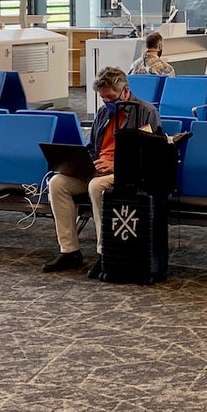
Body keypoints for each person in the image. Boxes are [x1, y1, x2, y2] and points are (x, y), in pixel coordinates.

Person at [42, 67, 160, 272]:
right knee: (57, 182)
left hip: (126, 173)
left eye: (111, 97)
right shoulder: (104, 112)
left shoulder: (145, 112)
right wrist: (79, 164)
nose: (107, 101)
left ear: (125, 91)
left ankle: (104, 252)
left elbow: (150, 155)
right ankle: (69, 251)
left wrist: (115, 165)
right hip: (97, 169)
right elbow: (92, 148)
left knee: (97, 186)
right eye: (103, 98)